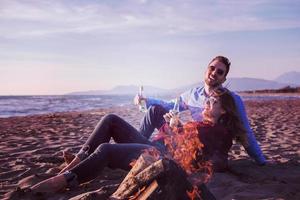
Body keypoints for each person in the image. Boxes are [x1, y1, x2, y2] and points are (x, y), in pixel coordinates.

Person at [28, 88, 240, 194]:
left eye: (213, 101)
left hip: (163, 159)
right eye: (208, 98)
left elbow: (190, 152)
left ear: (224, 110)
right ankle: (79, 160)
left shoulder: (218, 130)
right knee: (111, 119)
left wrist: (174, 128)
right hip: (159, 148)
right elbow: (184, 140)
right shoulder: (205, 124)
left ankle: (66, 179)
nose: (206, 102)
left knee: (106, 149)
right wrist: (172, 126)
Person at [134, 56, 266, 165]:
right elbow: (169, 105)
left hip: (209, 150)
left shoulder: (231, 100)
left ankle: (138, 152)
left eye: (220, 72)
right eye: (212, 68)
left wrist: (261, 161)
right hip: (190, 139)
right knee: (154, 110)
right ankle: (135, 148)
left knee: (163, 143)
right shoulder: (192, 94)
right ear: (206, 70)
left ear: (224, 79)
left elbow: (246, 132)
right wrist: (145, 100)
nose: (214, 73)